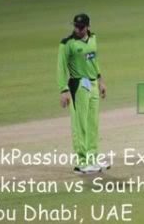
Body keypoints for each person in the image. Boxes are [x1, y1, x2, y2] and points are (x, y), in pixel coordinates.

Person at [57, 14, 109, 174]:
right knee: (80, 125)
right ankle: (81, 162)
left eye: (81, 27)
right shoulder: (67, 44)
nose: (77, 30)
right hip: (78, 84)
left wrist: (100, 80)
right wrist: (63, 90)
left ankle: (92, 158)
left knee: (92, 123)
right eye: (75, 27)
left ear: (87, 26)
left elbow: (94, 61)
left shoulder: (93, 39)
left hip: (92, 84)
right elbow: (61, 68)